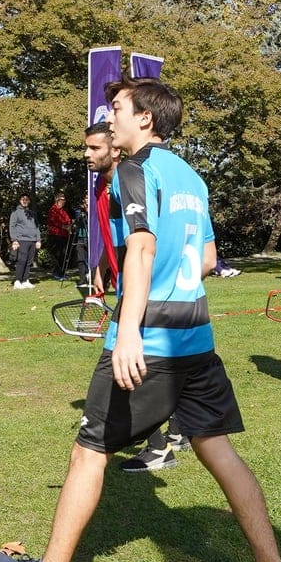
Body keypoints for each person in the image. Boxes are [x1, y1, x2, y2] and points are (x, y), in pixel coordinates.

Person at [0, 76, 281, 562]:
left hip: (153, 338)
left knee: (89, 451)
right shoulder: (191, 177)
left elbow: (140, 249)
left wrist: (131, 328)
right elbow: (206, 258)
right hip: (197, 338)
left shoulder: (133, 171)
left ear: (145, 119)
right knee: (218, 450)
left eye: (116, 108)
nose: (108, 116)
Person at [82, 120, 191, 474]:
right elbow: (114, 243)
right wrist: (99, 281)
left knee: (132, 370)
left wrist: (132, 305)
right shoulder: (103, 187)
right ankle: (180, 430)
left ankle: (160, 448)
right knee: (161, 368)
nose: (87, 154)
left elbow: (143, 247)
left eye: (95, 148)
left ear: (115, 149)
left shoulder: (133, 179)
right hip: (134, 289)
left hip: (147, 292)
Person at [10, 193, 44, 289]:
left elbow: (37, 227)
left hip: (32, 240)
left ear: (29, 201)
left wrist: (38, 240)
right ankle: (17, 281)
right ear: (20, 200)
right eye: (23, 199)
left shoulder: (32, 214)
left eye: (26, 199)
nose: (25, 201)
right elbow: (12, 226)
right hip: (21, 240)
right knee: (22, 260)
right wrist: (14, 240)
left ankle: (25, 280)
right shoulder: (15, 212)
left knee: (29, 261)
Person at [45, 192, 74, 281]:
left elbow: (68, 220)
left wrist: (70, 226)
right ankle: (56, 273)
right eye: (61, 200)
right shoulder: (52, 210)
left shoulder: (63, 211)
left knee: (63, 255)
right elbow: (54, 222)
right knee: (56, 255)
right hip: (55, 235)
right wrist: (64, 226)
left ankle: (62, 273)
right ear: (57, 200)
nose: (63, 202)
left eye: (64, 200)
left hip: (64, 236)